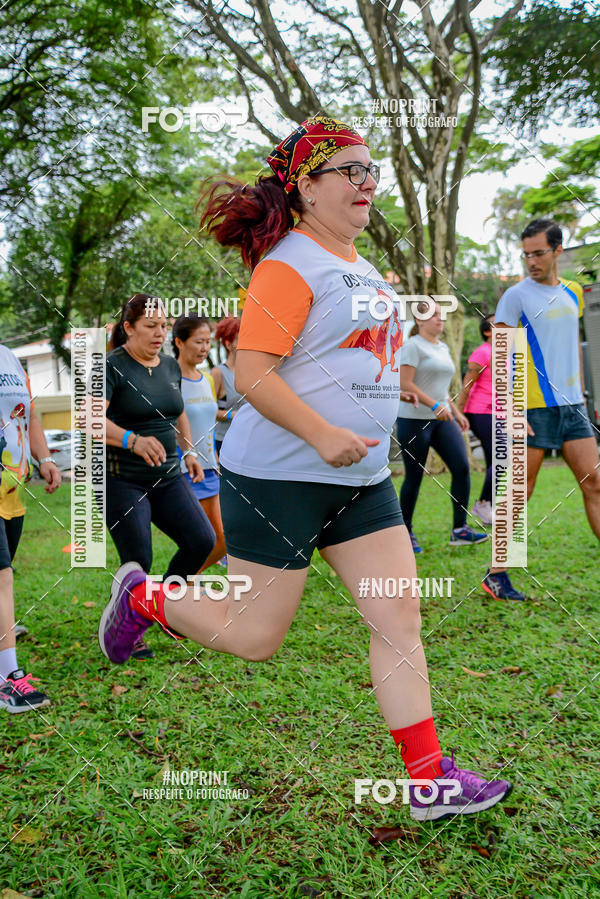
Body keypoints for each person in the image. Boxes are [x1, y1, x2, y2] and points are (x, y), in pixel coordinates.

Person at [98, 115, 512, 821]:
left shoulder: (362, 268)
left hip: (362, 482)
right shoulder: (288, 265)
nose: (367, 181)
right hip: (279, 478)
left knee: (398, 616)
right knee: (255, 636)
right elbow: (253, 371)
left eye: (370, 169)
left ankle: (427, 781)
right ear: (306, 187)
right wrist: (321, 433)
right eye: (350, 170)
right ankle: (143, 596)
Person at [482, 218, 600, 601]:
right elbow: (501, 354)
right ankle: (496, 575)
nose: (531, 261)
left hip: (573, 407)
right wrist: (511, 408)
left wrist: (582, 391)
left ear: (557, 251)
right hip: (533, 407)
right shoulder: (515, 296)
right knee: (520, 491)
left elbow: (571, 344)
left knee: (595, 484)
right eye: (526, 255)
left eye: (539, 253)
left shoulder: (573, 292)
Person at [95, 294, 216, 658]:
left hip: (168, 476)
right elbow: (89, 420)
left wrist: (189, 452)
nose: (159, 333)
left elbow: (178, 412)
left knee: (201, 541)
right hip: (122, 479)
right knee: (138, 559)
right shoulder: (110, 367)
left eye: (163, 326)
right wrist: (131, 440)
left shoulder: (169, 366)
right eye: (150, 326)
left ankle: (164, 608)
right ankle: (128, 625)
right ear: (128, 328)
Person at [397, 302, 489, 554]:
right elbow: (405, 383)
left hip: (442, 419)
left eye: (441, 314)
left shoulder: (443, 347)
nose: (440, 318)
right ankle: (405, 532)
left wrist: (456, 412)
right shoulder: (412, 346)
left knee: (461, 467)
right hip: (413, 420)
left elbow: (441, 387)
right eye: (434, 315)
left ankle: (460, 530)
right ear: (420, 320)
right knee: (414, 476)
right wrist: (435, 405)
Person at [0, 343, 61, 712]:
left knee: (4, 571)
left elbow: (30, 414)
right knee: (2, 576)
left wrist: (45, 458)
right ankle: (7, 678)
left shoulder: (10, 358)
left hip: (12, 489)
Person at [172, 314, 227, 569]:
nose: (204, 348)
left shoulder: (207, 379)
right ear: (179, 342)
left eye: (208, 341)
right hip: (185, 470)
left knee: (219, 540)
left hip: (210, 468)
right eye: (198, 341)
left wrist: (215, 458)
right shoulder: (169, 380)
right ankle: (181, 583)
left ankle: (184, 581)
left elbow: (208, 421)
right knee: (210, 539)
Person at [457, 314, 495, 526]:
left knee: (495, 460)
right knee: (502, 458)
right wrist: (459, 412)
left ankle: (487, 505)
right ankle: (482, 504)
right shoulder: (483, 352)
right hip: (480, 411)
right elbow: (467, 384)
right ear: (487, 331)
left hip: (497, 412)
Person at [211, 315, 245, 456]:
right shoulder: (218, 373)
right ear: (228, 344)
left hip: (248, 439)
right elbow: (210, 411)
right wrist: (234, 414)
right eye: (240, 338)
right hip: (225, 441)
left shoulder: (250, 372)